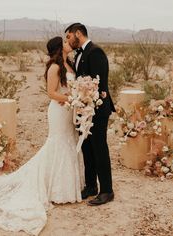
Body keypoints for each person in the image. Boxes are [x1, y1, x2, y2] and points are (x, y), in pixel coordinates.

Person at [0, 36, 84, 236]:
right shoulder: (55, 67)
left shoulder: (69, 64)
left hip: (68, 111)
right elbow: (51, 93)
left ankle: (67, 185)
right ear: (58, 48)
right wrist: (72, 98)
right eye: (64, 42)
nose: (68, 44)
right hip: (58, 110)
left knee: (69, 142)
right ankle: (55, 188)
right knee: (58, 142)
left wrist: (78, 98)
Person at [65, 23, 116, 206]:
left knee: (99, 149)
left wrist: (88, 102)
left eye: (69, 36)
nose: (68, 41)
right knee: (87, 148)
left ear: (78, 33)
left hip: (98, 110)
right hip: (83, 110)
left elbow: (97, 84)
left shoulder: (95, 52)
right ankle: (91, 186)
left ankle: (107, 190)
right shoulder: (79, 54)